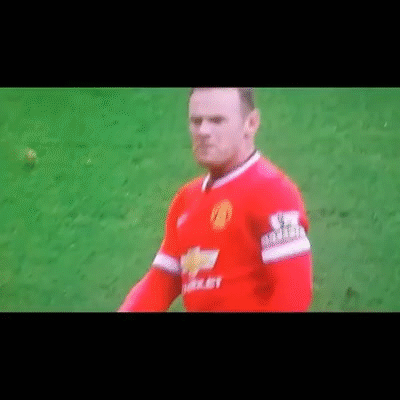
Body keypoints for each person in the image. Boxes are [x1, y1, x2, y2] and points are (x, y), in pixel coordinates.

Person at [118, 87, 313, 312]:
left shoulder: (272, 191)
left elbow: (294, 292)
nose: (203, 131)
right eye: (196, 121)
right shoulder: (186, 200)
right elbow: (160, 283)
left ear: (251, 123)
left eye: (217, 121)